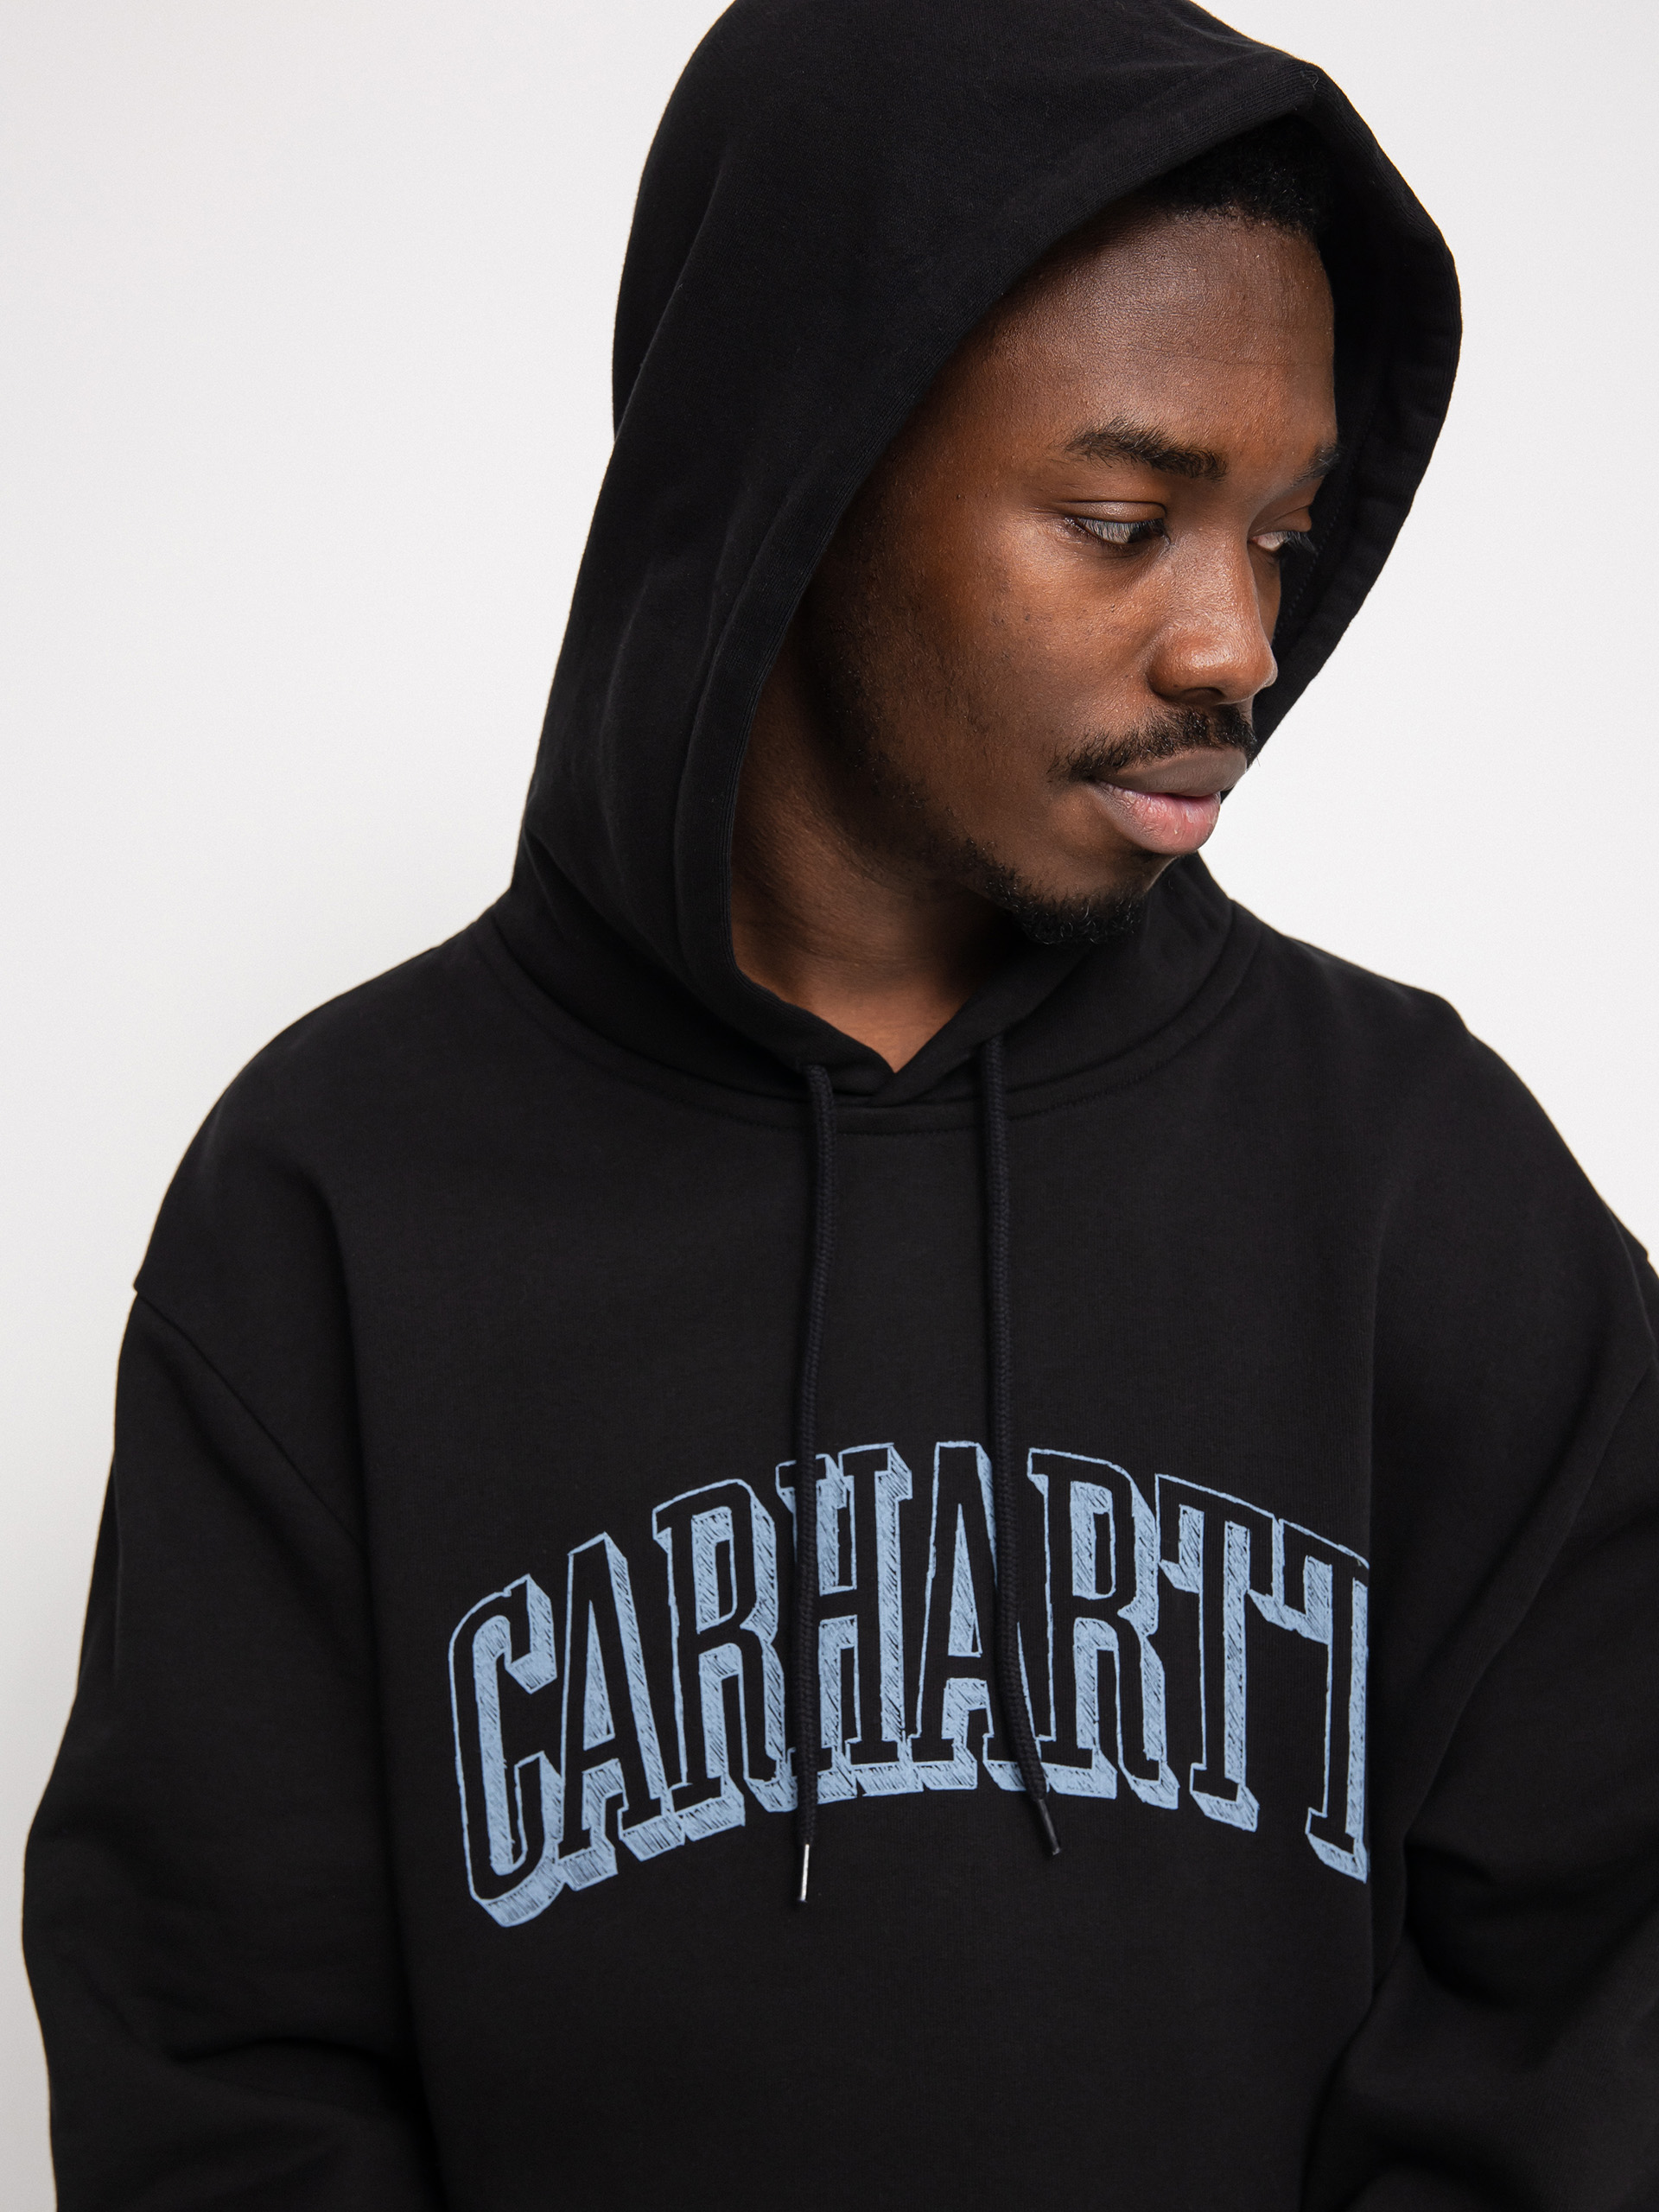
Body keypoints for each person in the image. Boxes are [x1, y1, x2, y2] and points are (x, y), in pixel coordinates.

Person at [23, 0, 1659, 2204]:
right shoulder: (335, 1199)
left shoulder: (1421, 1186)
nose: (1237, 645)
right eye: (1119, 517)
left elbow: (1594, 1990)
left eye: (1280, 532)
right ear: (794, 478)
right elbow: (220, 2066)